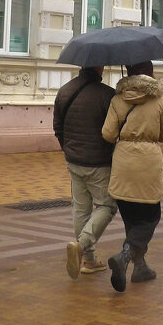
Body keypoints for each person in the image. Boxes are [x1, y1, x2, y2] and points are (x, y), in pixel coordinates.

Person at [101, 61, 163, 293]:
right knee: (151, 216)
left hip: (123, 162)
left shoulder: (117, 99)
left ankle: (140, 267)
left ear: (129, 73)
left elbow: (108, 134)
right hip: (148, 163)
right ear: (150, 73)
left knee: (131, 217)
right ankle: (125, 256)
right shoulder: (159, 100)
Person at [53, 65, 117, 279]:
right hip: (99, 162)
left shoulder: (65, 91)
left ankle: (89, 260)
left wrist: (69, 148)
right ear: (99, 67)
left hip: (73, 160)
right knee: (107, 205)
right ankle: (82, 246)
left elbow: (57, 127)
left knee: (81, 210)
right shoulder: (107, 95)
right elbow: (113, 130)